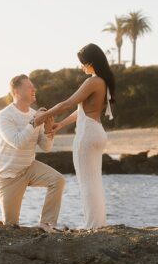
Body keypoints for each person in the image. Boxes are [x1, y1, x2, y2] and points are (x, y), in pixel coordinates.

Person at [33, 44, 115, 228]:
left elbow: (68, 103)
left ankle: (91, 225)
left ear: (91, 62)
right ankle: (97, 223)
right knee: (94, 181)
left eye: (83, 63)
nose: (81, 67)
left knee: (87, 182)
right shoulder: (103, 82)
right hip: (97, 132)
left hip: (87, 135)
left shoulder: (93, 81)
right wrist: (60, 124)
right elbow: (83, 111)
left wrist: (42, 117)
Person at [0, 74, 65, 231]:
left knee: (57, 180)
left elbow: (46, 147)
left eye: (33, 86)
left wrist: (48, 130)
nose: (34, 89)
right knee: (11, 227)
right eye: (29, 87)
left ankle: (46, 224)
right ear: (17, 92)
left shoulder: (35, 114)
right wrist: (35, 122)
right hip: (8, 176)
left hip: (29, 167)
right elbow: (18, 142)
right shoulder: (3, 116)